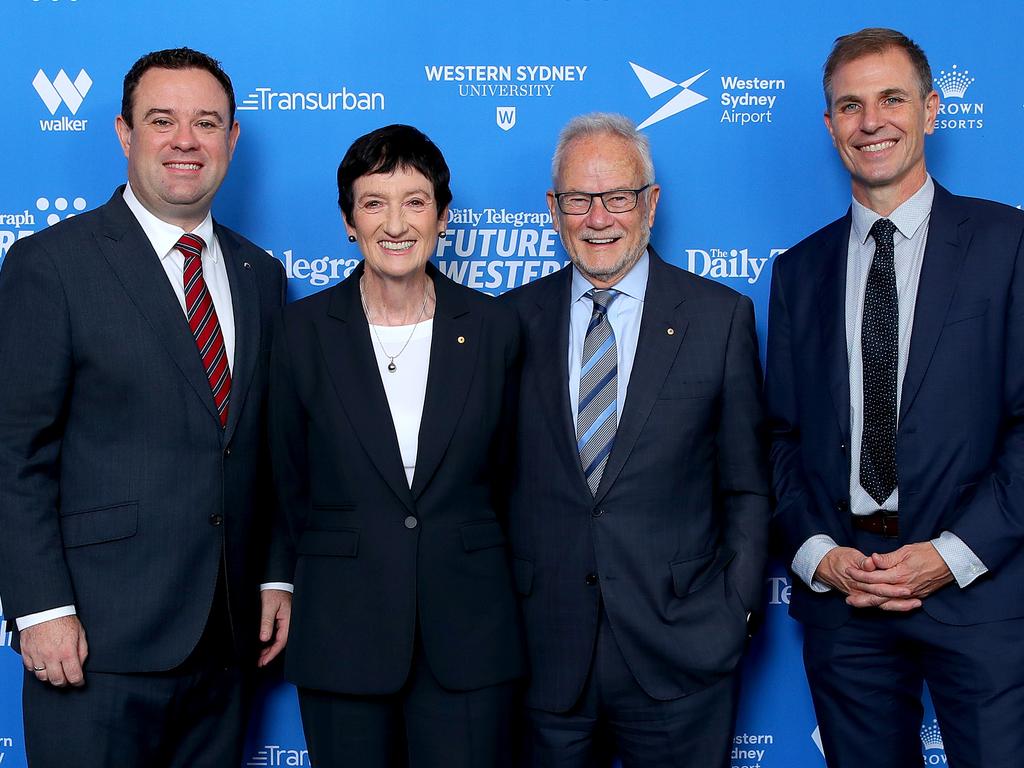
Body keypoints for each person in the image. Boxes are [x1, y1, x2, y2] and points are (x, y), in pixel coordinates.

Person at [0, 47, 291, 767]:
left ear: (232, 139)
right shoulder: (51, 266)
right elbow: (13, 453)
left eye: (207, 123)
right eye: (162, 121)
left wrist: (275, 574)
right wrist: (40, 609)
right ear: (125, 133)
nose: (185, 141)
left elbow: (271, 444)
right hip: (94, 643)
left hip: (225, 642)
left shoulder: (261, 275)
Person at [765, 27, 1024, 768]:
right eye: (850, 105)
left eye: (890, 99)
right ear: (830, 126)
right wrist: (821, 555)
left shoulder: (1009, 245)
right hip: (847, 604)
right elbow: (778, 439)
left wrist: (950, 554)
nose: (870, 120)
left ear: (932, 110)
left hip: (981, 589)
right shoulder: (800, 272)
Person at [501, 113, 769, 768]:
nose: (598, 218)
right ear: (553, 208)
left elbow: (747, 486)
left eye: (617, 197)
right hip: (544, 655)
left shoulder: (718, 318)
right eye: (578, 200)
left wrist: (732, 612)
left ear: (650, 203)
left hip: (681, 655)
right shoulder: (504, 324)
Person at [269, 123, 525, 767]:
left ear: (442, 216)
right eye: (373, 202)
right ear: (348, 221)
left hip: (469, 633)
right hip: (342, 630)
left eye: (414, 201)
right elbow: (284, 478)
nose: (395, 222)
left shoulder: (494, 328)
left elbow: (510, 477)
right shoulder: (301, 333)